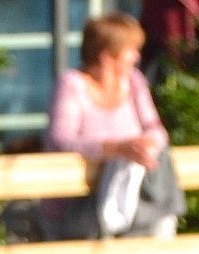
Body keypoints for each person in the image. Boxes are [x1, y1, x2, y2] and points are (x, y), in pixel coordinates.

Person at [47, 13, 175, 238]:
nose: (137, 56)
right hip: (79, 204)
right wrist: (118, 149)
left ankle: (160, 229)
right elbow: (62, 139)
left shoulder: (134, 81)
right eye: (131, 49)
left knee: (162, 158)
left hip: (132, 198)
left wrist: (145, 145)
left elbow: (156, 128)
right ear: (107, 56)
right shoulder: (72, 84)